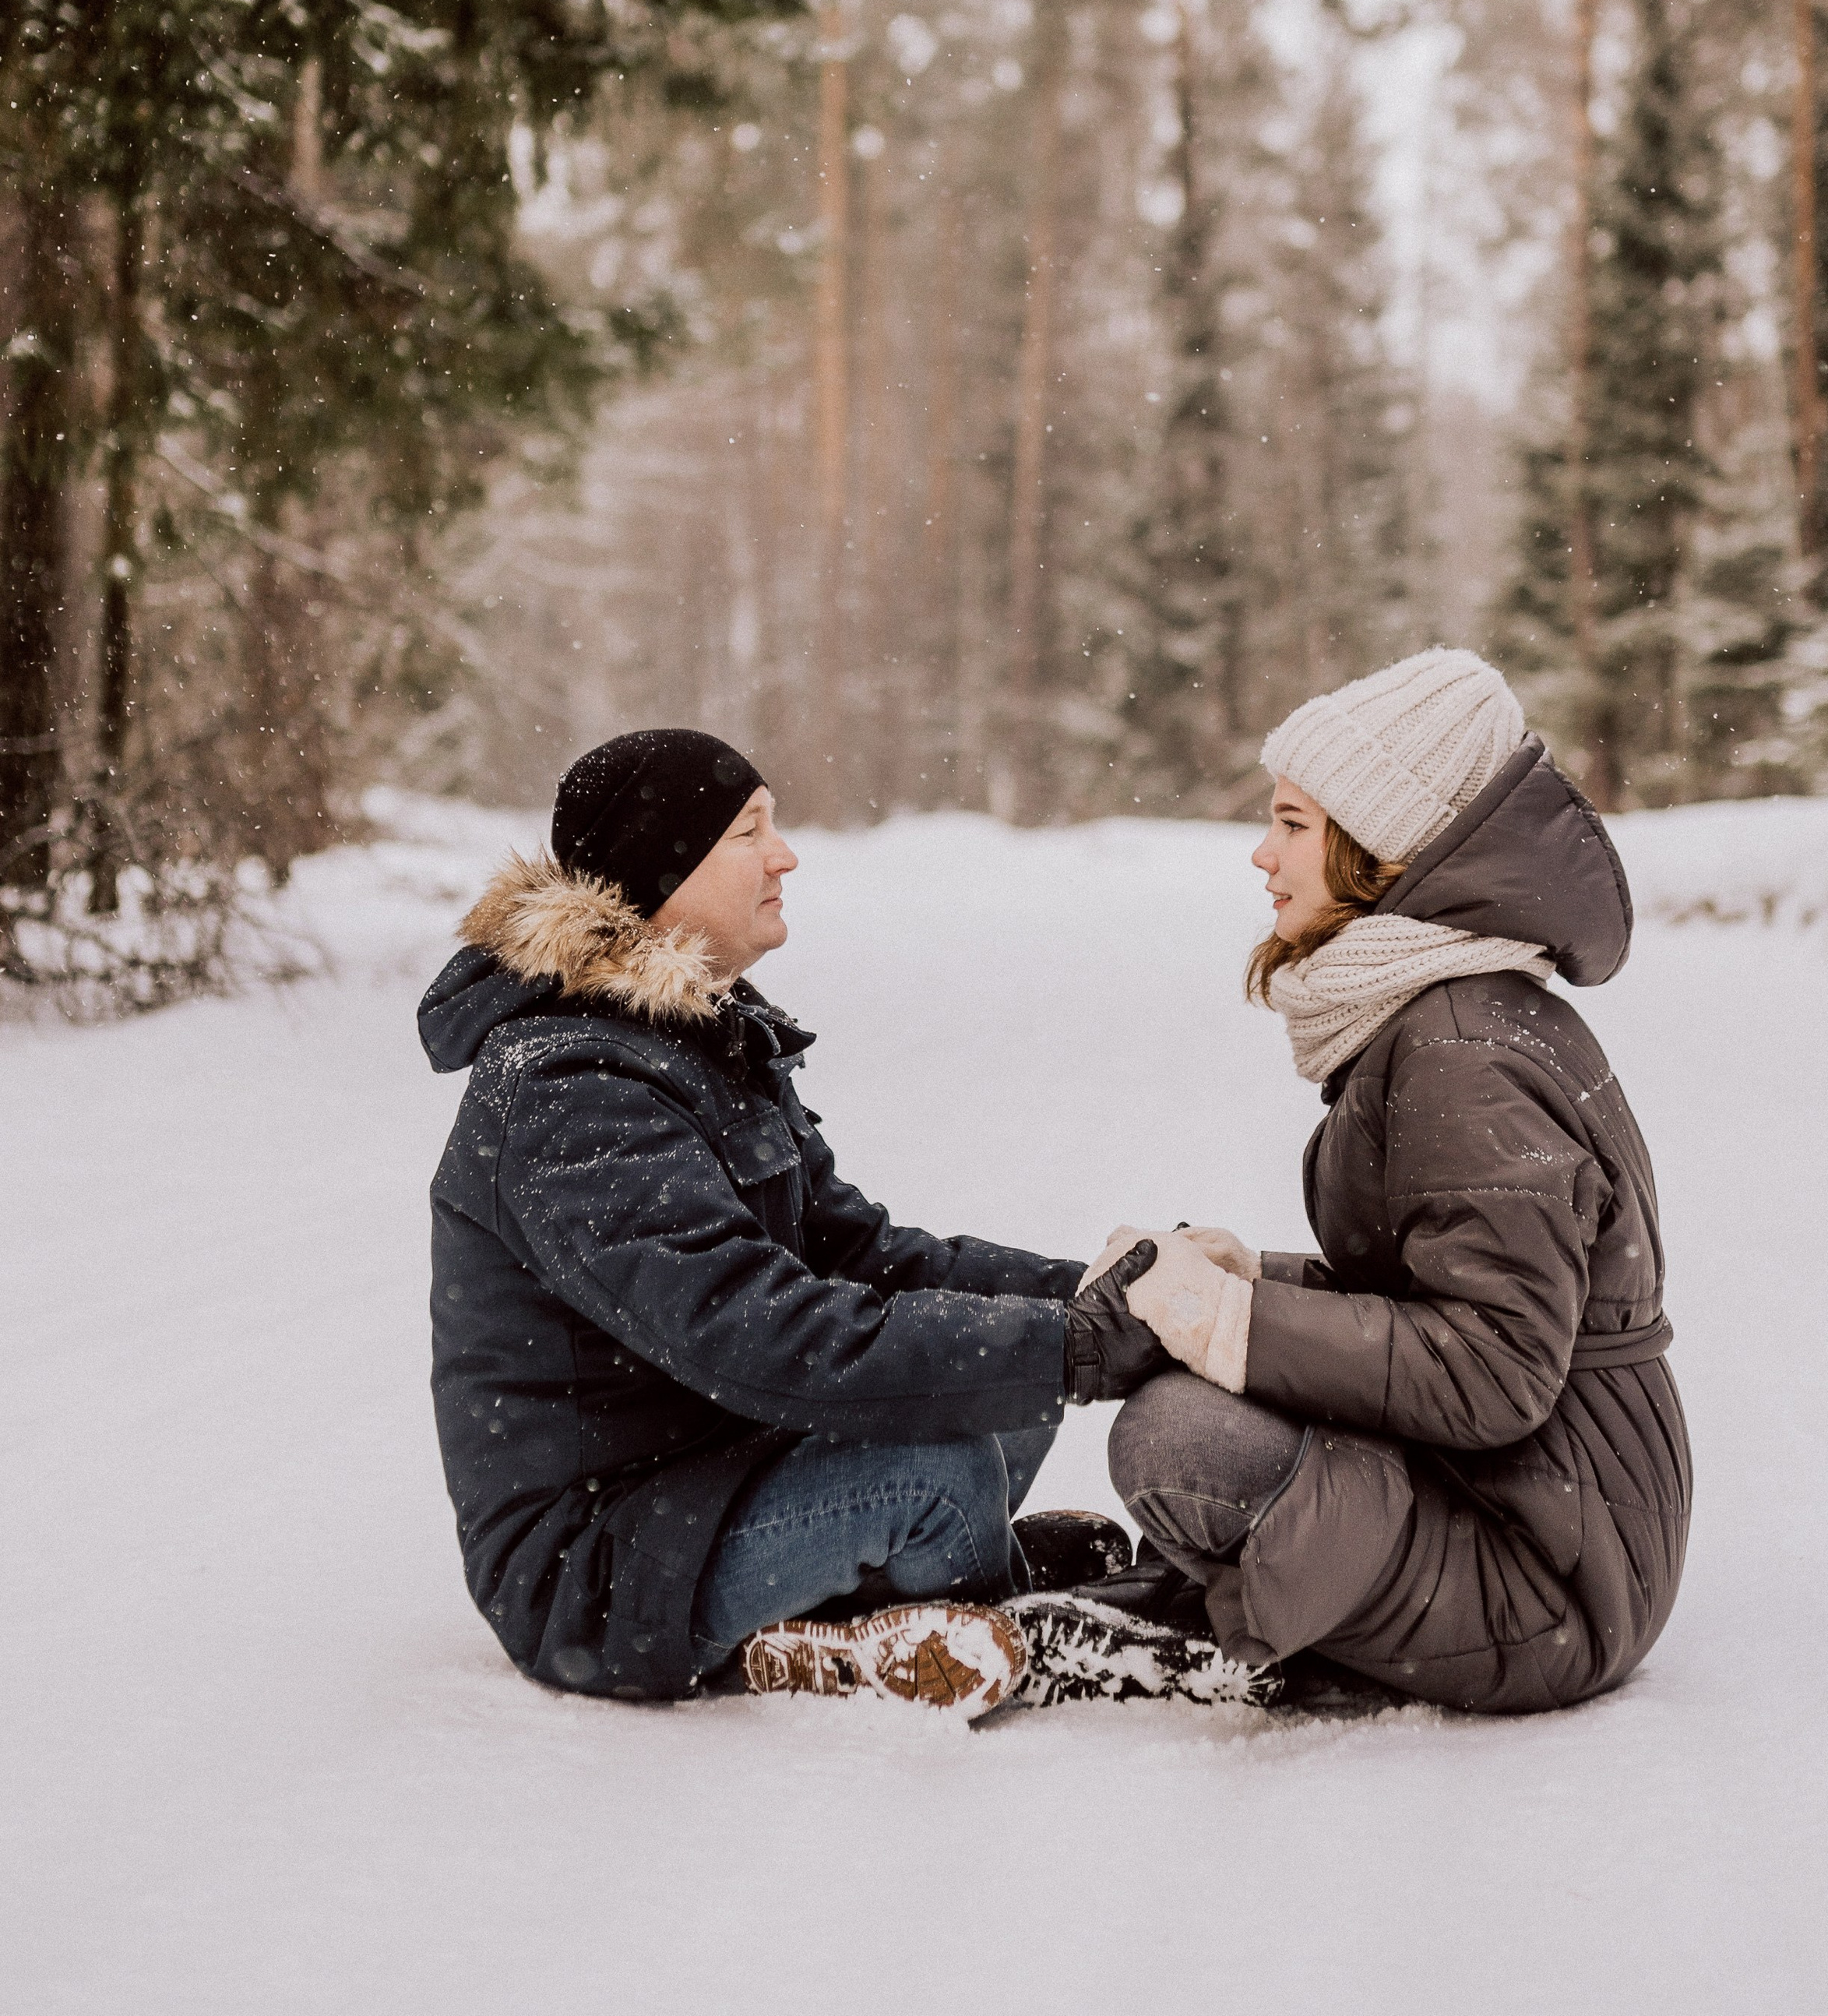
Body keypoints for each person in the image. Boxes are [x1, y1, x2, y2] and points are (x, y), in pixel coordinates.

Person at [421, 728, 1244, 1717]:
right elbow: (758, 1334)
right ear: (663, 871)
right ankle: (1004, 1631)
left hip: (709, 1472)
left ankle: (866, 1609)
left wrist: (1095, 1296)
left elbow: (864, 1256)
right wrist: (1071, 1348)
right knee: (942, 1464)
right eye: (748, 832)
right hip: (604, 1568)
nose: (784, 855)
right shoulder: (571, 1091)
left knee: (995, 1389)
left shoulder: (689, 1036)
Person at [1095, 647, 1691, 1714]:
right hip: (1537, 1508)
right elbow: (1441, 1297)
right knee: (1186, 1391)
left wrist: (1237, 1326)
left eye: (1291, 823)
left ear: (1381, 851)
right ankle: (1240, 1598)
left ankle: (1222, 1634)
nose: (1259, 854)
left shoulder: (1463, 1049)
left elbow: (1496, 1372)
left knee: (1177, 1437)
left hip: (1557, 1575)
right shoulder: (1445, 1015)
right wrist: (1252, 1282)